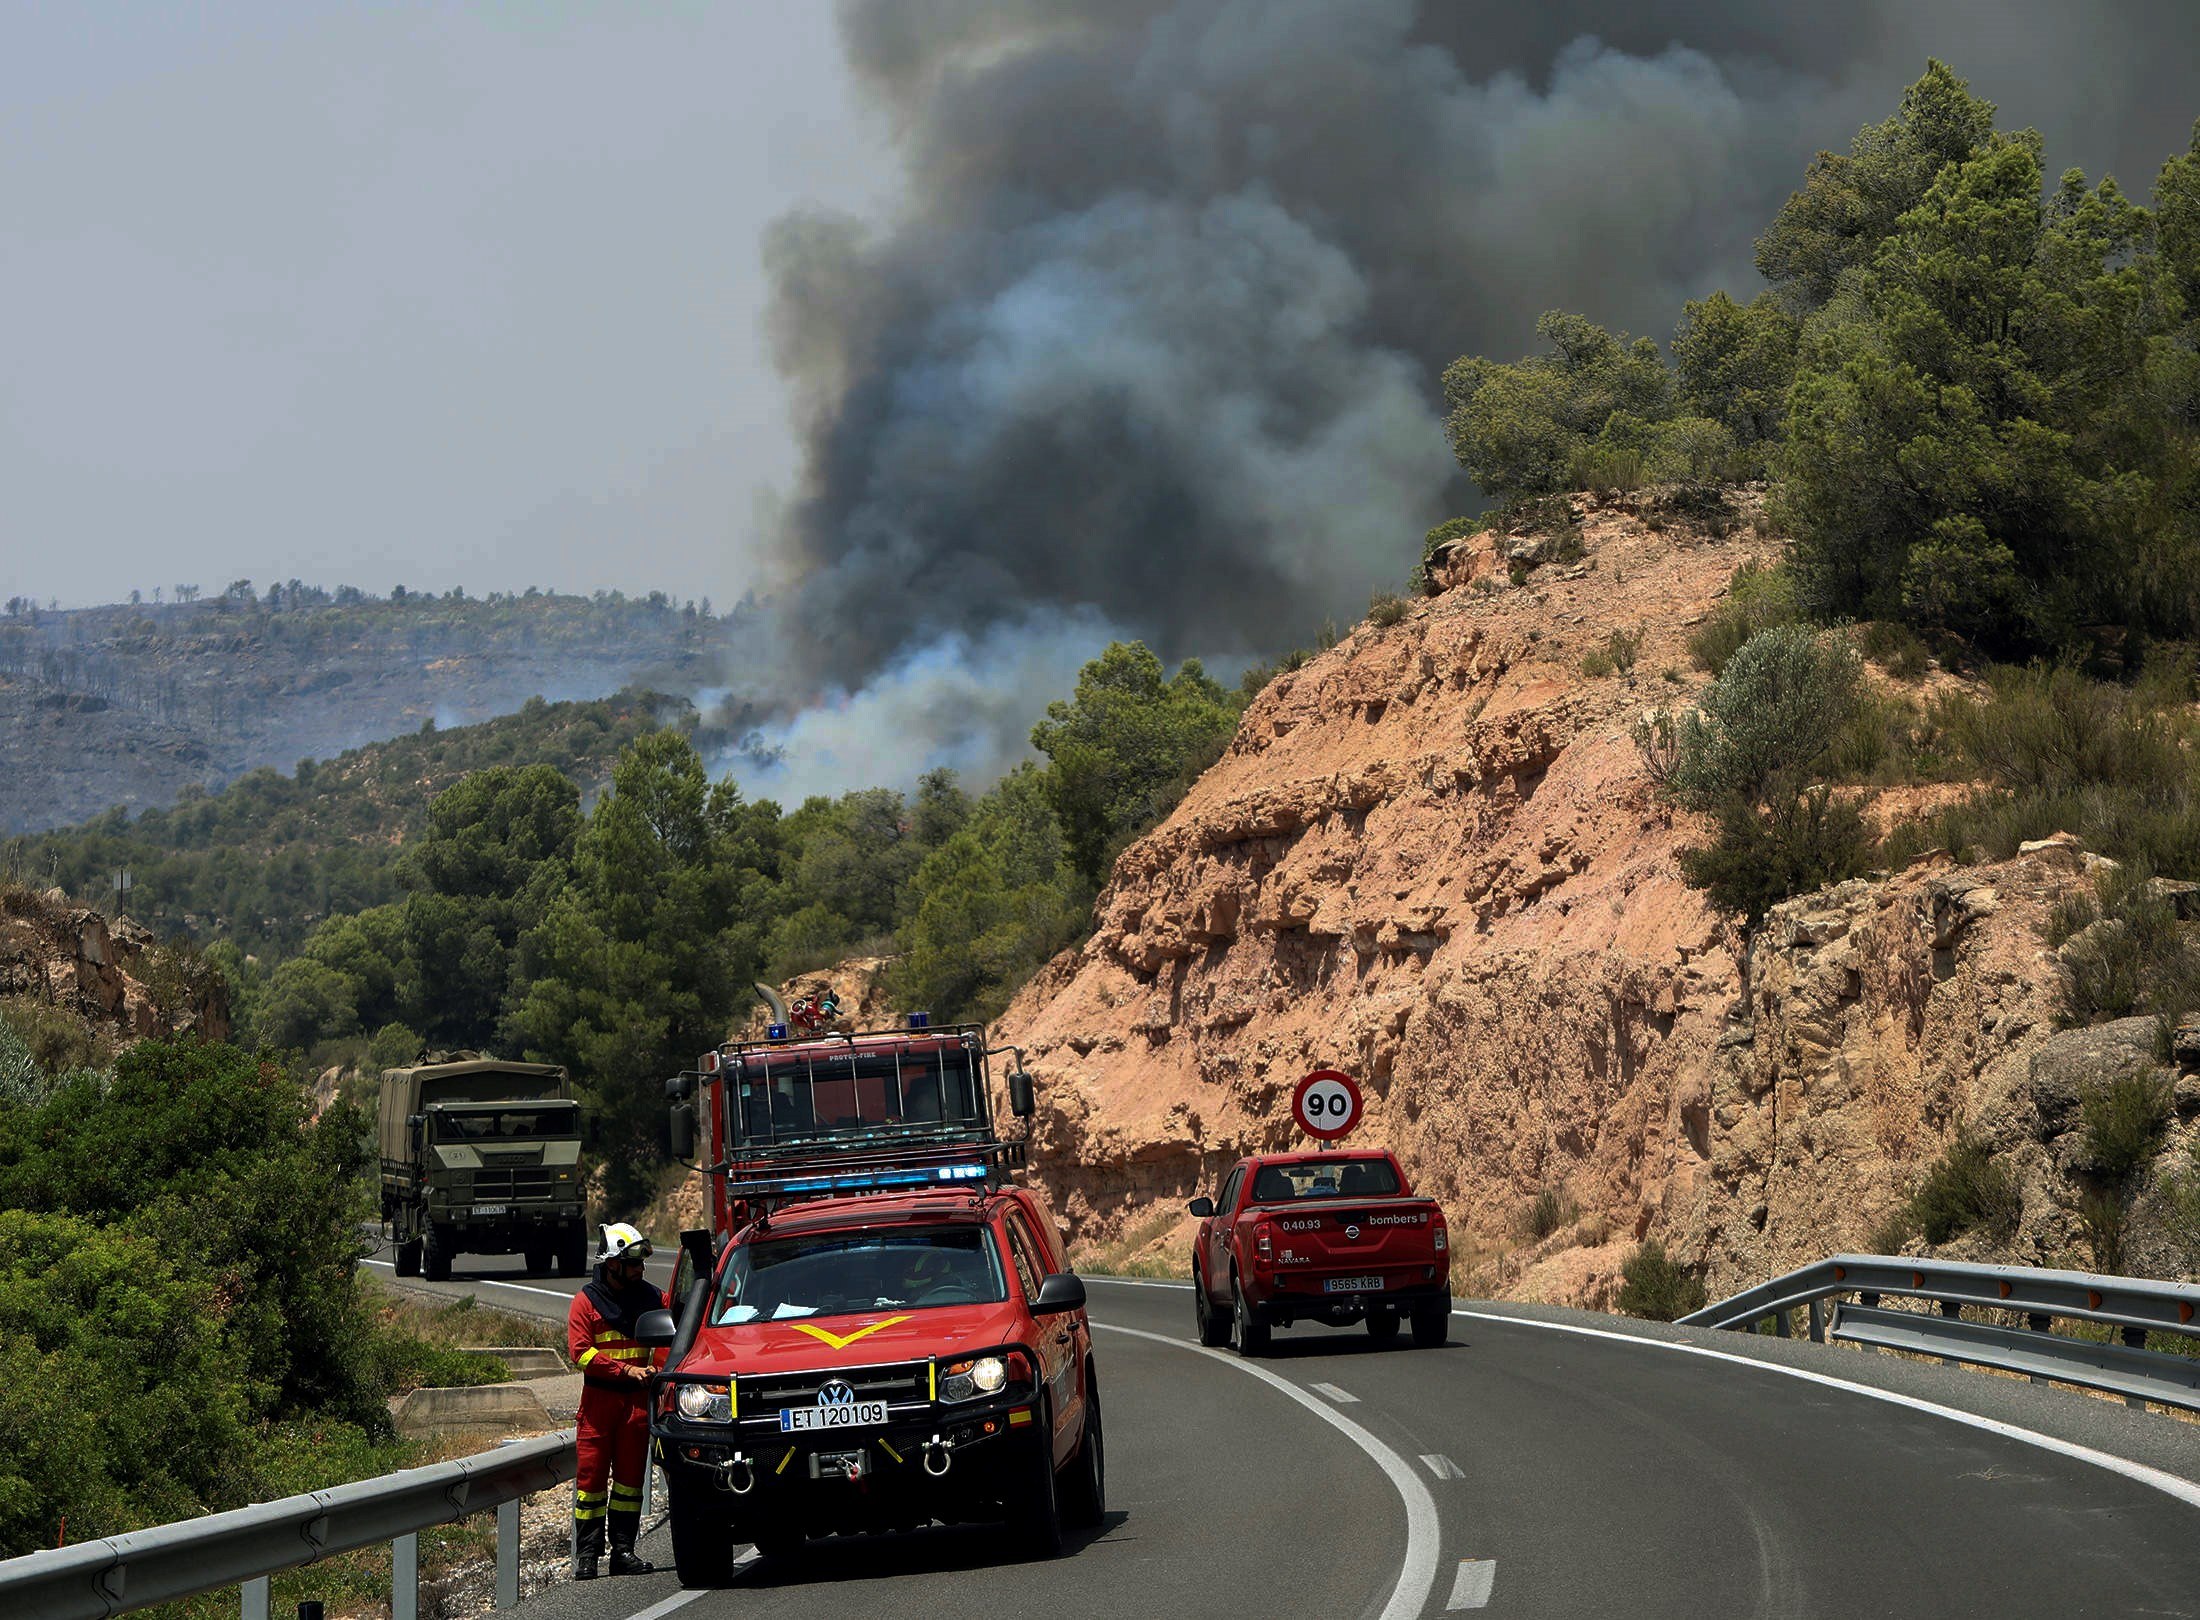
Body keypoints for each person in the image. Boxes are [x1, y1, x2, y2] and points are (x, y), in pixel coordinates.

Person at [566, 1222, 668, 1578]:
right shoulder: (585, 1302)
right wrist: (624, 1370)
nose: (641, 1269)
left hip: (636, 1405)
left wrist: (657, 1369)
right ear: (612, 1264)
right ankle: (587, 1557)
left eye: (641, 1262)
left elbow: (674, 1333)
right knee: (590, 1483)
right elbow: (580, 1352)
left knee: (629, 1483)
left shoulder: (653, 1299)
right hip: (599, 1404)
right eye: (633, 1263)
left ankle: (623, 1551)